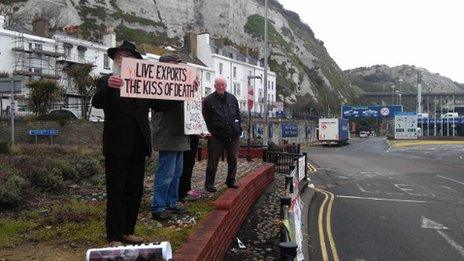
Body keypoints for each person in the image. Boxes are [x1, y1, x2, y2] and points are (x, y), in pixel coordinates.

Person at [92, 41, 179, 246]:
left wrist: (182, 92)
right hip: (116, 146)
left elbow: (161, 104)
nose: (121, 59)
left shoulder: (142, 84)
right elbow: (97, 102)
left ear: (135, 61)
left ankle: (127, 231)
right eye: (118, 56)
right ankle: (114, 236)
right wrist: (109, 88)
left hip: (138, 146)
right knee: (116, 192)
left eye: (126, 55)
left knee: (135, 191)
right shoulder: (107, 81)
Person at [151, 53, 191, 221]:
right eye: (174, 63)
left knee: (176, 173)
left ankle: (171, 202)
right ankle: (159, 206)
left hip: (180, 133)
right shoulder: (158, 83)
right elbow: (163, 105)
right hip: (167, 133)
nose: (177, 66)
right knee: (166, 172)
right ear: (165, 65)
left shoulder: (181, 83)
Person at [202, 77, 242, 192]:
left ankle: (231, 180)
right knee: (213, 160)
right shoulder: (209, 100)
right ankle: (209, 183)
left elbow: (238, 115)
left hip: (233, 134)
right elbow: (205, 118)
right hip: (216, 135)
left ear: (226, 86)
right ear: (214, 86)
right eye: (218, 85)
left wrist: (238, 128)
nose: (220, 87)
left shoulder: (232, 98)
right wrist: (208, 132)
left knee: (233, 158)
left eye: (222, 85)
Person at [178, 135, 201, 202]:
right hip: (185, 136)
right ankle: (182, 193)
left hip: (193, 136)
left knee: (190, 163)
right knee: (186, 164)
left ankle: (187, 188)